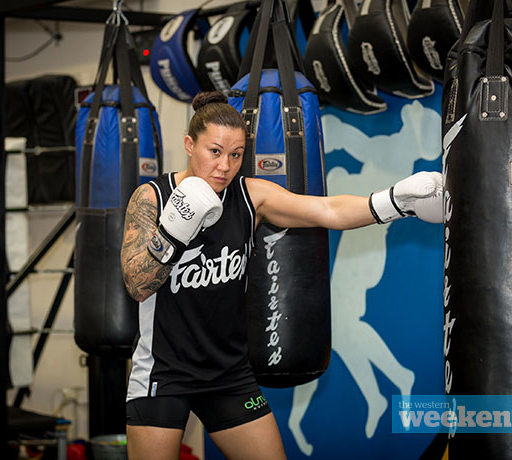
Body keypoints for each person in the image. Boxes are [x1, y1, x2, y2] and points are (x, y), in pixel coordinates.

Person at [120, 91, 442, 460]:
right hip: (164, 373)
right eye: (215, 151)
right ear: (190, 144)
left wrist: (397, 201)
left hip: (228, 374)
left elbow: (328, 211)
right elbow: (136, 284)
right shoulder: (153, 198)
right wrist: (174, 231)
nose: (225, 166)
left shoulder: (250, 196)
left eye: (236, 154)